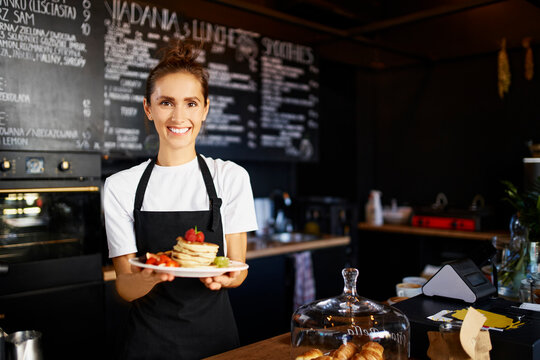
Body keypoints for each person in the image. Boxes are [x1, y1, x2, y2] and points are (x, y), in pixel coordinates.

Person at [103, 39, 258, 359]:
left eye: (190, 103)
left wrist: (227, 278)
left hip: (218, 341)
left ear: (205, 109)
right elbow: (124, 287)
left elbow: (239, 269)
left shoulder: (231, 177)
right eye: (166, 102)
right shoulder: (121, 186)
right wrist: (150, 276)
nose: (178, 116)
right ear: (148, 108)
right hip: (148, 344)